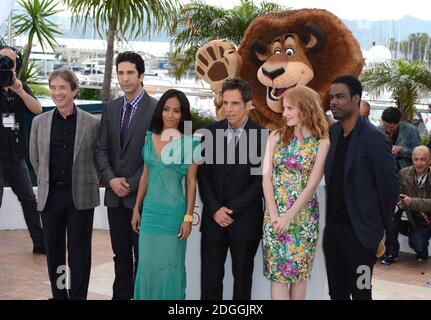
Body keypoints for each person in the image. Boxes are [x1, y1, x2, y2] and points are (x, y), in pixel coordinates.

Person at [324, 75, 399, 300]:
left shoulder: (374, 138)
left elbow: (389, 188)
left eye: (340, 97)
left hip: (361, 237)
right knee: (336, 292)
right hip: (333, 233)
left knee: (361, 292)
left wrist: (377, 230)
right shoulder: (334, 133)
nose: (334, 102)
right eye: (331, 97)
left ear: (356, 99)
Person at [29, 68, 100, 299]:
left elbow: (99, 158)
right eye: (53, 87)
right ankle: (60, 296)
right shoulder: (39, 122)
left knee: (79, 253)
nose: (57, 93)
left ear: (74, 91)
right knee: (55, 253)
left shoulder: (91, 123)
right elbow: (35, 158)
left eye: (62, 88)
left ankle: (78, 297)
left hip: (80, 196)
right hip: (51, 197)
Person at [95, 51, 158, 300]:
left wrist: (131, 184)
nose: (125, 78)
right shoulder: (111, 108)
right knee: (120, 255)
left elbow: (155, 155)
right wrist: (111, 179)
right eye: (120, 73)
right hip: (114, 196)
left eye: (130, 72)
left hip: (142, 197)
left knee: (142, 256)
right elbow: (101, 148)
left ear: (141, 75)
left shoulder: (156, 109)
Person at [198, 78, 266, 300]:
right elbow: (203, 176)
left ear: (248, 104)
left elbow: (260, 183)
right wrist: (216, 209)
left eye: (235, 103)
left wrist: (230, 210)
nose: (229, 108)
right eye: (225, 102)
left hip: (245, 222)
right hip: (213, 220)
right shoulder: (210, 133)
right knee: (209, 281)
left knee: (242, 282)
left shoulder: (263, 136)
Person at [131, 89, 201, 300]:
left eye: (176, 111)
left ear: (183, 115)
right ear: (160, 111)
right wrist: (136, 208)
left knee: (171, 267)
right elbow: (145, 175)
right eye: (166, 109)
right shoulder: (149, 138)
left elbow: (191, 183)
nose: (170, 115)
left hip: (173, 216)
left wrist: (188, 218)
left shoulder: (191, 143)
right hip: (151, 213)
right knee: (145, 265)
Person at [262, 86, 330, 300]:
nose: (284, 113)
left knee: (299, 277)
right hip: (274, 216)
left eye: (290, 108)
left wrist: (288, 217)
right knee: (278, 276)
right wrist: (274, 215)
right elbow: (266, 177)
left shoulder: (322, 142)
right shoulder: (275, 136)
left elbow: (312, 185)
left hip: (303, 218)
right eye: (284, 108)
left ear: (305, 108)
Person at [0, 46, 44, 254]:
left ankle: (40, 243)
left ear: (16, 64)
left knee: (28, 199)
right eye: (2, 59)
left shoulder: (20, 86)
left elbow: (37, 109)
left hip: (16, 156)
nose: (6, 63)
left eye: (10, 60)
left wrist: (19, 91)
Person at [382, 145, 431, 264]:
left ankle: (421, 250)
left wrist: (412, 202)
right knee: (391, 218)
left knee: (418, 244)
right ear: (412, 159)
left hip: (424, 219)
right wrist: (399, 201)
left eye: (423, 159)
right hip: (406, 214)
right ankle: (391, 253)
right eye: (416, 159)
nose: (419, 163)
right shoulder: (404, 172)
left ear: (430, 160)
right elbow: (398, 193)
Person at [379, 107, 421, 171]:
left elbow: (419, 153)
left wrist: (402, 150)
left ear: (398, 122)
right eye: (386, 127)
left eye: (392, 127)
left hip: (405, 172)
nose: (388, 130)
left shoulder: (411, 130)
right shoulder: (378, 130)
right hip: (384, 171)